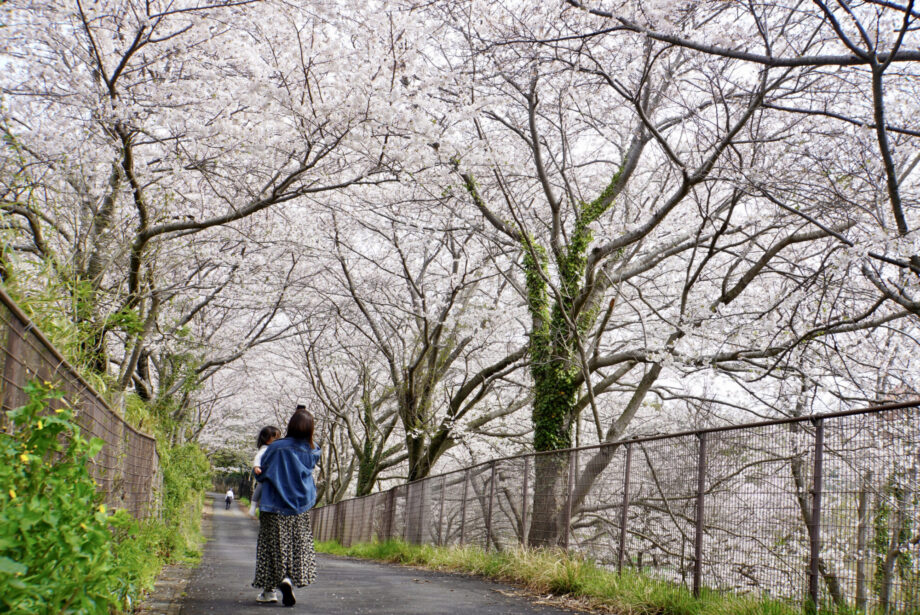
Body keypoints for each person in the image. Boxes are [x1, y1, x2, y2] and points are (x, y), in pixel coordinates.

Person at [252, 406, 321, 606]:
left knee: (271, 547)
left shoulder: (276, 447)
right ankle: (288, 578)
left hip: (274, 505)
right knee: (295, 546)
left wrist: (258, 473)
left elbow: (263, 472)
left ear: (290, 426)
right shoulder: (313, 450)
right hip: (300, 506)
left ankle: (269, 591)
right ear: (310, 429)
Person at [249, 425, 282, 516]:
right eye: (275, 438)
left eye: (278, 438)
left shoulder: (274, 448)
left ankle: (255, 506)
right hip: (264, 473)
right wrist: (256, 467)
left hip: (270, 474)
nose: (277, 440)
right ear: (266, 438)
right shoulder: (264, 449)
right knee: (259, 487)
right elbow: (257, 458)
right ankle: (253, 505)